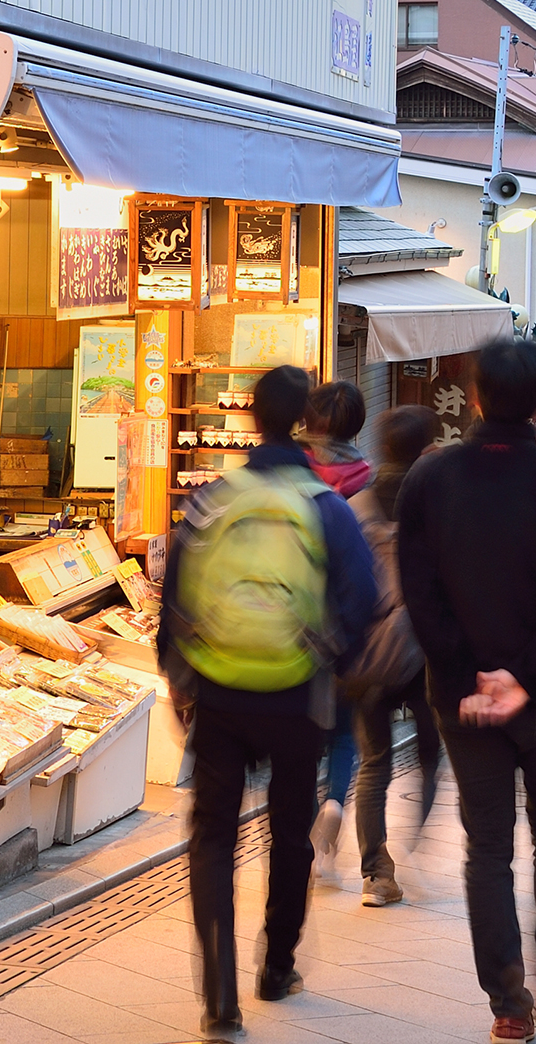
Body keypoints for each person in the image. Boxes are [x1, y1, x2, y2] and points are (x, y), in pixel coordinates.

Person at [397, 339, 536, 1043]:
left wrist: (468, 676)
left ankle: (507, 1002)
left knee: (487, 847)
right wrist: (526, 675)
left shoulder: (430, 480)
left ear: (477, 397)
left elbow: (421, 593)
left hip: (464, 702)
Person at [158, 365, 378, 1035]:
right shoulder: (324, 505)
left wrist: (181, 682)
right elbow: (361, 599)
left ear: (251, 419)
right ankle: (276, 964)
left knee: (214, 836)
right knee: (290, 830)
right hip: (296, 691)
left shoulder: (212, 500)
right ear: (308, 421)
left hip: (221, 690)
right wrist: (332, 663)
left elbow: (173, 597)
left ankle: (218, 992)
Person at [345, 405, 441, 908]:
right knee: (431, 752)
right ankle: (417, 839)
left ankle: (376, 873)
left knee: (374, 762)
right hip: (426, 650)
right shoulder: (437, 502)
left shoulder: (355, 506)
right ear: (427, 447)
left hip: (368, 653)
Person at [299, 380, 371, 870]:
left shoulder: (293, 472)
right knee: (345, 734)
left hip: (294, 626)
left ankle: (305, 836)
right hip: (345, 626)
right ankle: (335, 803)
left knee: (303, 738)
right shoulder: (367, 478)